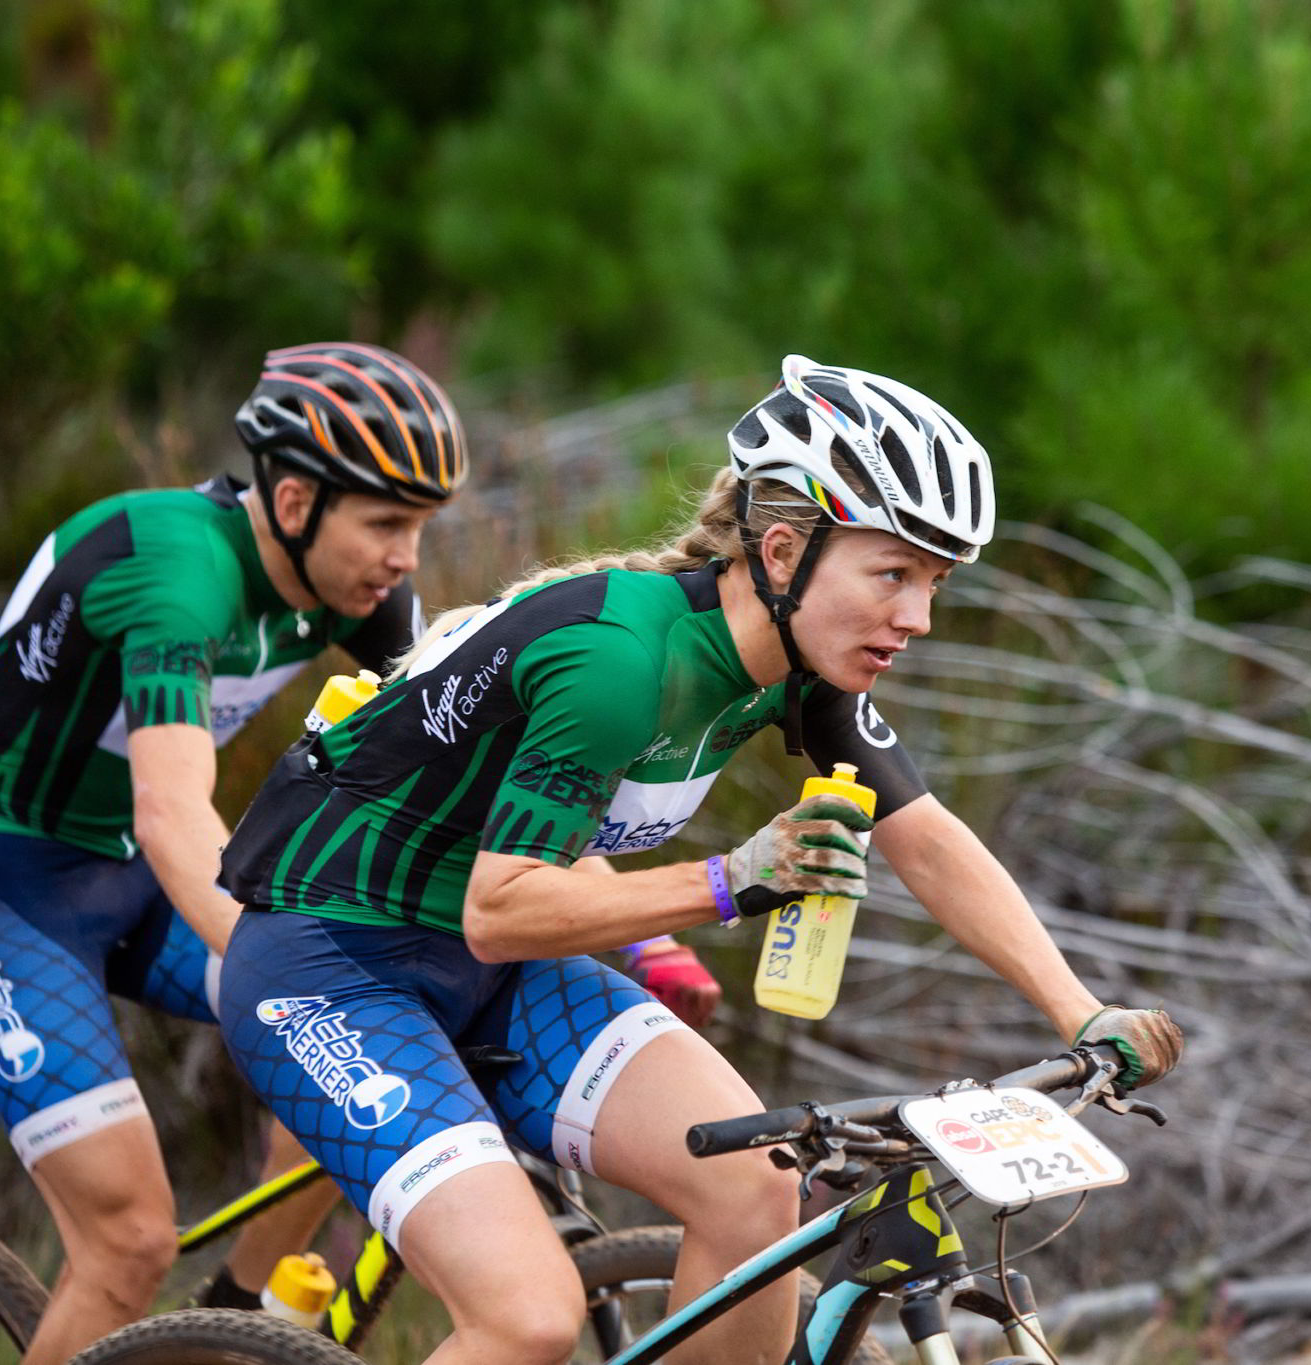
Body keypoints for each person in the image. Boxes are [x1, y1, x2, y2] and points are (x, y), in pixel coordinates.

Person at [213, 354, 1186, 1365]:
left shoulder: (797, 666)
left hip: (487, 973)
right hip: (330, 968)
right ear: (781, 549)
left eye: (932, 582)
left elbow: (928, 839)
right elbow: (499, 910)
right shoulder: (618, 663)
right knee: (529, 1319)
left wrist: (1077, 1011)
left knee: (760, 1186)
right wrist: (731, 880)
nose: (917, 619)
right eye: (892, 574)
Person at [0, 343, 470, 1365]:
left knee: (350, 1077)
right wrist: (273, 968)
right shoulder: (176, 569)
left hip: (123, 876)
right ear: (293, 501)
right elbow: (171, 813)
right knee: (126, 1242)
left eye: (419, 527)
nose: (405, 559)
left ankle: (225, 1329)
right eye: (385, 523)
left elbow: (467, 765)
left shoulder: (353, 589)